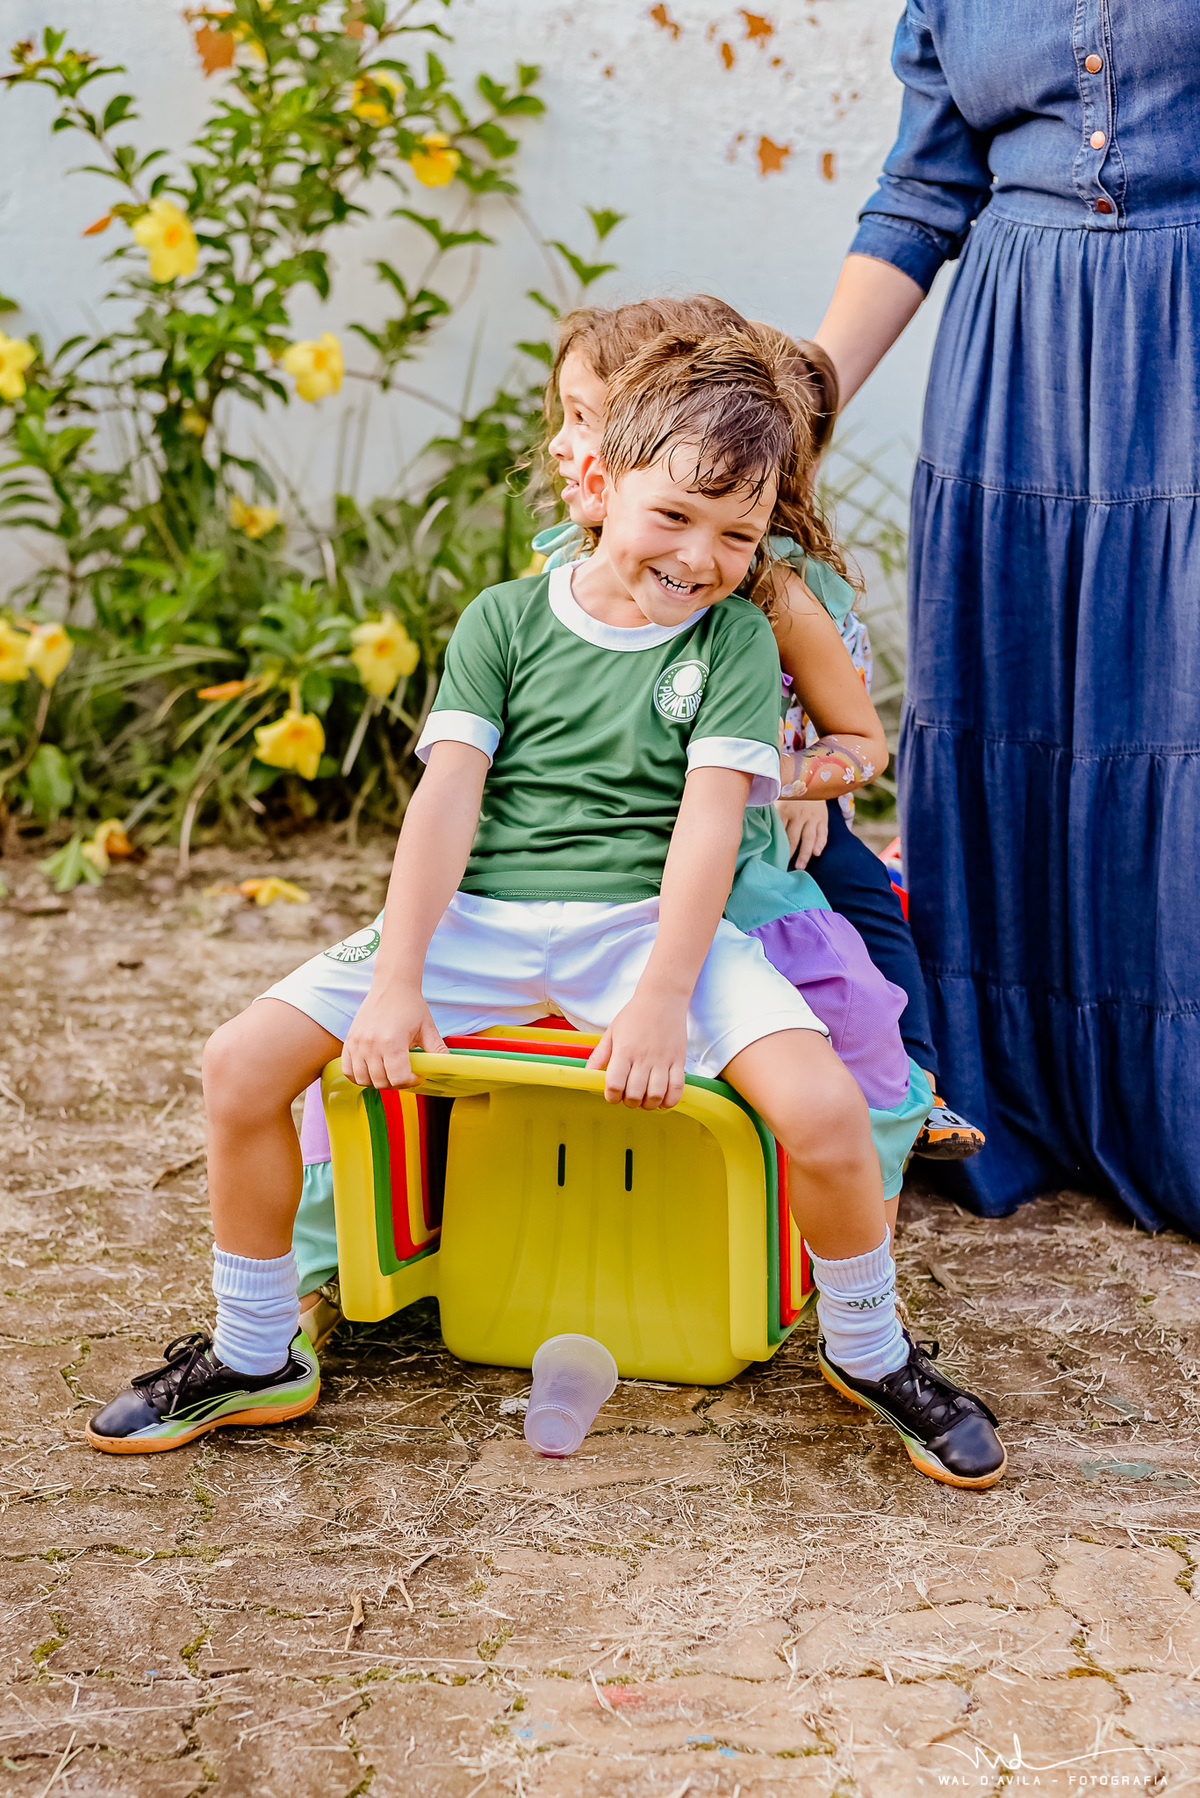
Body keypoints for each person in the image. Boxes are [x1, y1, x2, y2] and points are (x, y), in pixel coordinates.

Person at [86, 332, 1006, 1488]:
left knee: (821, 1107)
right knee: (239, 1064)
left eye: (737, 534)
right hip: (481, 917)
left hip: (644, 927)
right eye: (675, 516)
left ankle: (869, 1351)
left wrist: (667, 996)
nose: (703, 557)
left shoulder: (730, 634)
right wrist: (400, 973)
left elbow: (709, 825)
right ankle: (255, 1348)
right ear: (602, 481)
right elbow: (444, 806)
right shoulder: (505, 620)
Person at [292, 295, 946, 1350]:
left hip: (732, 880)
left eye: (585, 415)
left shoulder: (759, 589)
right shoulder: (552, 576)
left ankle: (850, 1256)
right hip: (563, 893)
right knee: (356, 1038)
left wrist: (782, 777)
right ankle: (330, 1268)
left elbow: (853, 732)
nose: (563, 442)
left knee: (860, 1025)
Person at [813, 6, 1200, 1232]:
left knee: (1178, 717)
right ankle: (1012, 1098)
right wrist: (791, 409)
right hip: (1017, 366)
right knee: (1008, 709)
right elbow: (923, 194)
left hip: (1184, 337)